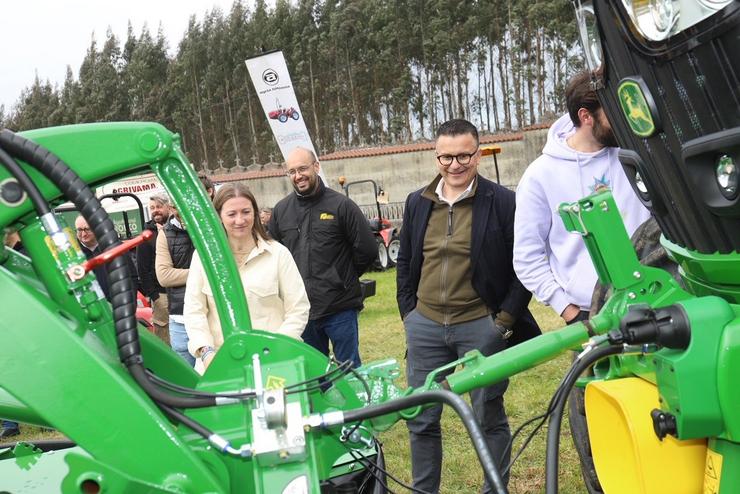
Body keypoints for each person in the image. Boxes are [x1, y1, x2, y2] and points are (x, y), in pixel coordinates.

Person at [396, 119, 541, 493]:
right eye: (446, 156)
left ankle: (494, 489)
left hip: (481, 324)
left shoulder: (504, 202)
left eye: (464, 155)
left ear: (478, 153)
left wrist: (504, 322)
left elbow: (524, 265)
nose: (455, 164)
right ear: (436, 156)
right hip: (425, 325)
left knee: (488, 415)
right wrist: (409, 315)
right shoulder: (417, 202)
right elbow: (406, 261)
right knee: (422, 418)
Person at [513, 70, 651, 324]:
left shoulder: (636, 154)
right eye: (614, 114)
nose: (623, 119)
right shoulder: (539, 176)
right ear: (586, 116)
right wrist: (570, 312)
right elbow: (526, 258)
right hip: (591, 313)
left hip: (652, 296)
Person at [268, 147, 376, 368]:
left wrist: (341, 277)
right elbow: (273, 255)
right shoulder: (281, 211)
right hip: (301, 311)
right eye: (292, 171)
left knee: (349, 371)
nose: (298, 176)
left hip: (339, 308)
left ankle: (356, 405)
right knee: (313, 375)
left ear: (316, 167)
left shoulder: (342, 206)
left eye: (303, 169)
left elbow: (367, 250)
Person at [185, 183, 309, 373]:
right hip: (219, 367)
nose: (240, 220)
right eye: (231, 214)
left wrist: (276, 349)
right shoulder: (203, 258)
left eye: (246, 212)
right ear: (219, 216)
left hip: (274, 365)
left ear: (255, 213)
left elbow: (298, 308)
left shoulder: (278, 254)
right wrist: (206, 352)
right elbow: (194, 311)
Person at [155, 205, 196, 366]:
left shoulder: (212, 228)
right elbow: (164, 276)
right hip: (181, 319)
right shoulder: (165, 234)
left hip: (211, 316)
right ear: (172, 207)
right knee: (188, 379)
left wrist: (180, 274)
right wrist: (202, 273)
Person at [74, 215, 139, 299]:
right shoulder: (74, 254)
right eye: (79, 230)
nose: (83, 234)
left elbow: (132, 276)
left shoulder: (116, 248)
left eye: (87, 229)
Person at [136, 194, 170, 344]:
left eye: (159, 206)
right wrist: (155, 296)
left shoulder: (177, 229)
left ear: (168, 207)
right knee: (165, 339)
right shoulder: (146, 236)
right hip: (161, 295)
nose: (155, 210)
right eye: (152, 208)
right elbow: (142, 269)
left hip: (182, 293)